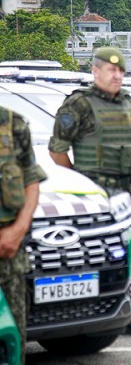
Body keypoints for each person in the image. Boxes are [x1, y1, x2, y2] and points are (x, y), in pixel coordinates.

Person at [49, 47, 131, 336]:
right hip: (97, 196)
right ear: (95, 71)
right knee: (95, 257)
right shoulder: (80, 104)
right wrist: (80, 184)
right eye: (111, 70)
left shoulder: (129, 103)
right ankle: (90, 316)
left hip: (128, 193)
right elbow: (57, 151)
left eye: (121, 71)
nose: (117, 75)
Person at [1, 107, 47, 364]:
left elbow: (31, 180)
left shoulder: (12, 124)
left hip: (8, 257)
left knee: (14, 344)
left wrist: (17, 231)